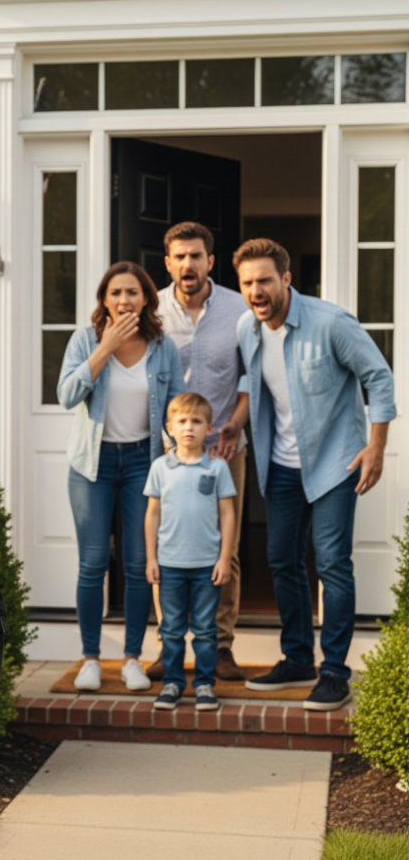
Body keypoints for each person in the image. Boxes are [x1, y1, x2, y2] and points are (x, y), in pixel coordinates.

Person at [233, 238, 395, 711]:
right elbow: (253, 380)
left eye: (264, 280)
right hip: (280, 466)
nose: (256, 291)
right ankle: (297, 658)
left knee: (331, 565)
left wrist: (376, 448)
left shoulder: (331, 323)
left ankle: (334, 672)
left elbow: (378, 377)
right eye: (247, 283)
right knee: (283, 560)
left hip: (335, 463)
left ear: (286, 279)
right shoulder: (248, 328)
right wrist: (233, 424)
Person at [58, 261, 185, 692]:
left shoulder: (161, 345)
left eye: (132, 292)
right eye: (115, 293)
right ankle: (90, 658)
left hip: (142, 464)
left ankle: (132, 657)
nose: (124, 300)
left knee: (136, 565)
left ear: (147, 297)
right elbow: (66, 395)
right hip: (91, 464)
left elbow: (174, 407)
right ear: (104, 299)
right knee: (93, 563)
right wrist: (103, 349)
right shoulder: (85, 339)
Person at [150, 221, 249, 683]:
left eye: (196, 256)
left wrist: (235, 425)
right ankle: (165, 644)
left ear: (210, 260)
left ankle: (222, 645)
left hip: (225, 451)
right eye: (179, 257)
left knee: (223, 548)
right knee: (165, 545)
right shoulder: (152, 311)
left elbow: (254, 373)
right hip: (166, 455)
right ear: (167, 262)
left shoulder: (238, 307)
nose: (188, 265)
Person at [144, 393, 236, 711]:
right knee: (170, 627)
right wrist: (152, 558)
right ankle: (172, 682)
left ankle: (205, 685)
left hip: (206, 566)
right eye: (181, 421)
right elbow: (152, 514)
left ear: (209, 427)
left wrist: (224, 558)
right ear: (169, 427)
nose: (188, 427)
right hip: (169, 564)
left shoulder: (218, 468)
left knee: (206, 629)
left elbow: (228, 514)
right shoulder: (160, 468)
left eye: (196, 421)